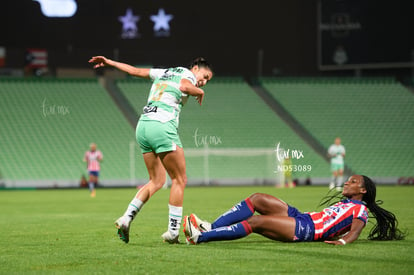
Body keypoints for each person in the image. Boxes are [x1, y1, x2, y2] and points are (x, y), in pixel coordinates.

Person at [89, 55, 213, 244]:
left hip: (144, 126)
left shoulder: (163, 72)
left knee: (156, 180)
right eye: (205, 76)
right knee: (179, 180)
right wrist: (200, 92)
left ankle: (126, 218)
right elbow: (185, 87)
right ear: (196, 68)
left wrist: (110, 63)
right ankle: (172, 232)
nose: (204, 82)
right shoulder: (188, 75)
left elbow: (135, 71)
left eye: (207, 81)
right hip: (162, 125)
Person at [183, 175, 405, 245]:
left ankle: (201, 237)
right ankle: (210, 226)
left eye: (352, 182)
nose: (346, 183)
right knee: (257, 199)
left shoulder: (361, 210)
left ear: (363, 190)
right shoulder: (348, 204)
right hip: (301, 216)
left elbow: (355, 231)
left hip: (306, 229)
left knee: (256, 222)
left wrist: (344, 241)